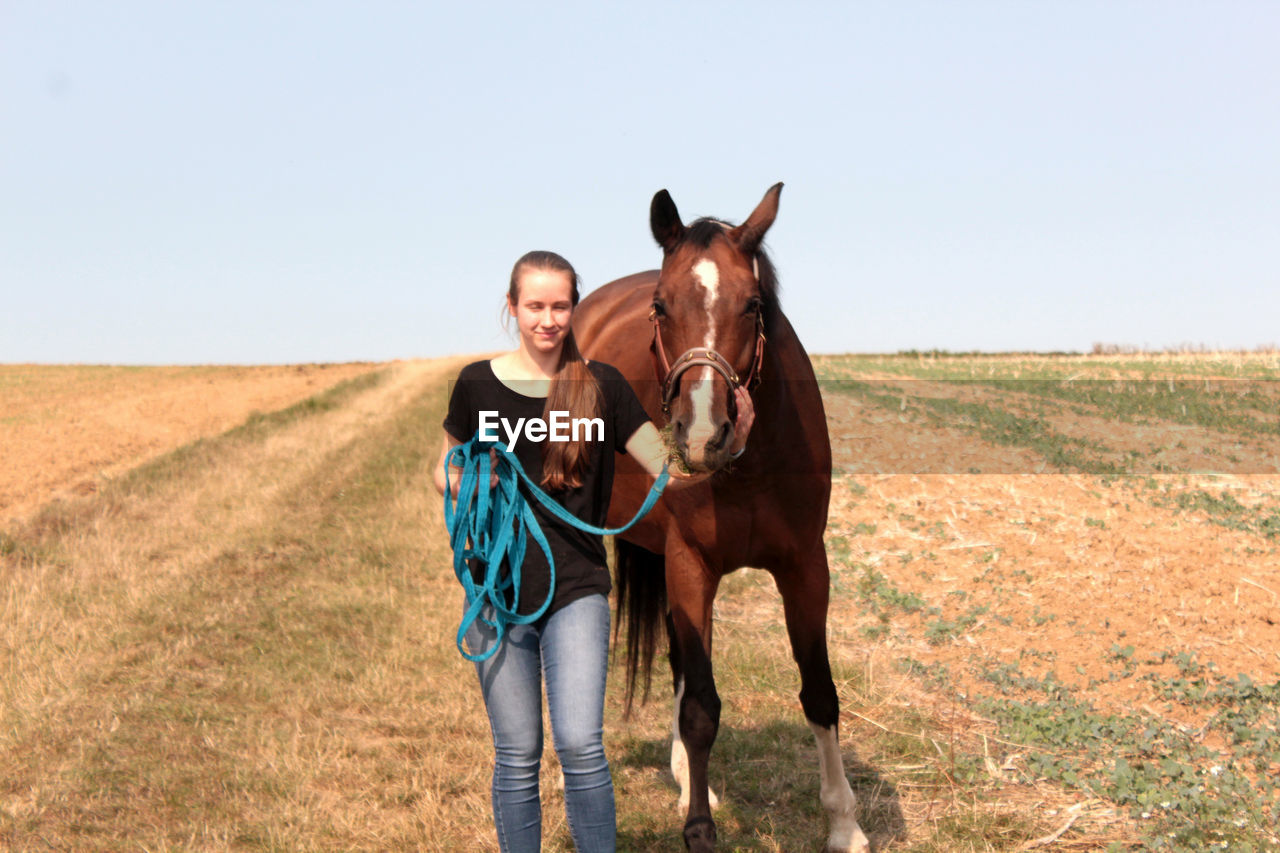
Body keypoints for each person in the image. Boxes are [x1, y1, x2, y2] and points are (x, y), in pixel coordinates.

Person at [432, 250, 753, 852]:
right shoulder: (476, 383)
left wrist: (729, 446)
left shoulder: (600, 386)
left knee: (581, 745)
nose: (547, 319)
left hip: (576, 589)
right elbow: (444, 467)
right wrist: (469, 479)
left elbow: (670, 470)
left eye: (559, 306)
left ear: (573, 310)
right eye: (535, 306)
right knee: (518, 753)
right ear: (513, 308)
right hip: (496, 591)